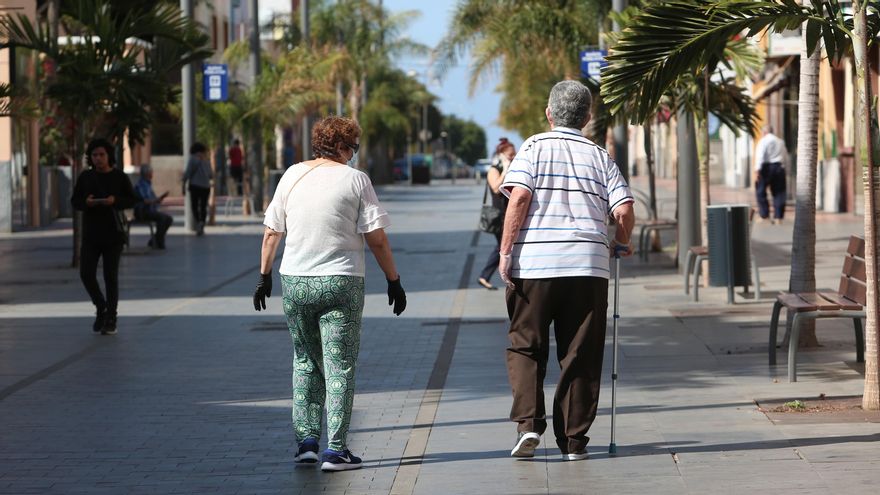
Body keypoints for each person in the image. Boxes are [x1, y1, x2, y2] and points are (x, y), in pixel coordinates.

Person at [252, 116, 407, 472]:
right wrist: (393, 279)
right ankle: (335, 450)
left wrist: (264, 276)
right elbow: (376, 237)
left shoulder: (291, 175)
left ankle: (306, 442)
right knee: (340, 366)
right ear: (340, 146)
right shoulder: (356, 180)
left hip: (296, 282)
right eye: (352, 147)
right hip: (341, 282)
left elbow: (272, 231)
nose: (354, 154)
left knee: (304, 360)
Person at [498, 80, 635, 461]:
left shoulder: (533, 147)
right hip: (588, 268)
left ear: (549, 113)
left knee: (526, 345)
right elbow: (623, 210)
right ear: (588, 117)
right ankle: (573, 442)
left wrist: (506, 252)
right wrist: (620, 241)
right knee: (581, 354)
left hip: (536, 265)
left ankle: (528, 425)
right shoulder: (600, 155)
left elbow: (520, 196)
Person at [71, 138, 137, 335]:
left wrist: (115, 200)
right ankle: (101, 306)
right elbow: (75, 201)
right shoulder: (86, 177)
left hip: (113, 235)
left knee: (111, 277)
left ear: (109, 156)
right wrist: (87, 202)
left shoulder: (119, 177)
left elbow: (132, 199)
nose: (98, 158)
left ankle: (111, 319)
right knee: (86, 273)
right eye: (94, 155)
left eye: (101, 155)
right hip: (91, 234)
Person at [477, 138, 516, 290]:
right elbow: (495, 188)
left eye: (514, 154)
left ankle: (485, 276)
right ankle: (485, 276)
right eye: (510, 154)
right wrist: (505, 169)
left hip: (509, 214)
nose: (512, 157)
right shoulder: (494, 169)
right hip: (499, 215)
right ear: (501, 155)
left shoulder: (514, 167)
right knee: (503, 247)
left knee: (502, 247)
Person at [133, 164, 173, 249]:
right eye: (151, 172)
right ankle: (159, 241)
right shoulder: (141, 185)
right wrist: (156, 200)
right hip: (142, 211)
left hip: (149, 210)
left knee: (168, 219)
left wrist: (159, 199)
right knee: (162, 218)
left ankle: (155, 240)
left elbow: (153, 199)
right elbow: (145, 200)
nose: (152, 173)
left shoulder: (148, 184)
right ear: (147, 173)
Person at [753, 125, 788, 223]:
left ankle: (764, 215)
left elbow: (760, 155)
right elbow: (785, 155)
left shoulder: (763, 141)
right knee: (779, 192)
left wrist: (757, 170)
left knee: (760, 191)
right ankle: (778, 217)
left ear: (764, 132)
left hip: (766, 167)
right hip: (779, 167)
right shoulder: (780, 141)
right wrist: (784, 167)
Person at [183, 142, 212, 235]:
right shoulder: (206, 160)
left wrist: (183, 182)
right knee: (203, 206)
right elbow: (211, 175)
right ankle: (202, 222)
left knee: (194, 206)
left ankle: (198, 222)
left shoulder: (192, 159)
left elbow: (188, 173)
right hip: (206, 186)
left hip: (195, 185)